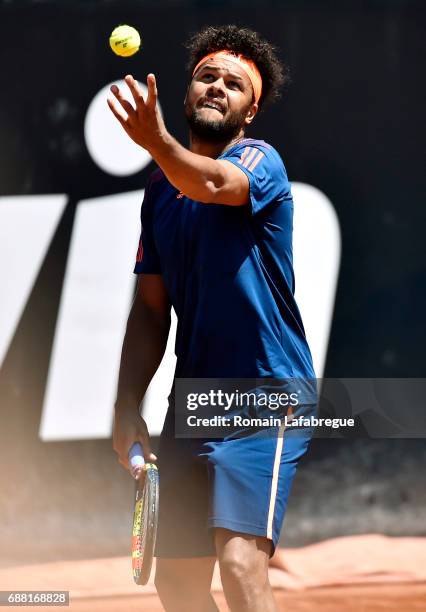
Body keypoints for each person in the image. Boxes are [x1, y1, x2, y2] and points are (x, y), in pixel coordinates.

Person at [109, 24, 316, 612]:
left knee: (240, 564)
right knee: (176, 583)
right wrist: (127, 405)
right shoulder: (159, 195)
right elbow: (150, 312)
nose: (219, 87)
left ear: (250, 112)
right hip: (192, 404)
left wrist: (156, 143)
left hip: (265, 395)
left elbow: (212, 182)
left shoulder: (258, 161)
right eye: (207, 76)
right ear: (188, 91)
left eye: (236, 84)